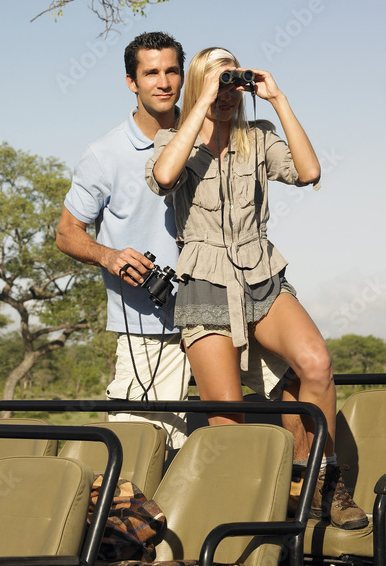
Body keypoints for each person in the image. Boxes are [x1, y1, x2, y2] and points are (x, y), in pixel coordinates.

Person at [145, 46, 366, 530]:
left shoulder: (258, 136)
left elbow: (309, 172)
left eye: (234, 84)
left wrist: (278, 99)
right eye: (217, 83)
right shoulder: (172, 139)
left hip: (260, 272)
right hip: (205, 281)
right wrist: (201, 103)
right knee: (228, 418)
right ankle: (243, 519)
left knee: (316, 364)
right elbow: (163, 177)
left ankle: (322, 483)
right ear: (200, 85)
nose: (228, 94)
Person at [56, 33, 291, 452]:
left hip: (229, 307)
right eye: (151, 73)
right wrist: (109, 256)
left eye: (171, 71)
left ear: (186, 77)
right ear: (131, 82)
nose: (163, 82)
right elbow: (66, 232)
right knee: (140, 452)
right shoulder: (104, 153)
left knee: (299, 383)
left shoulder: (217, 127)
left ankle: (306, 485)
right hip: (153, 324)